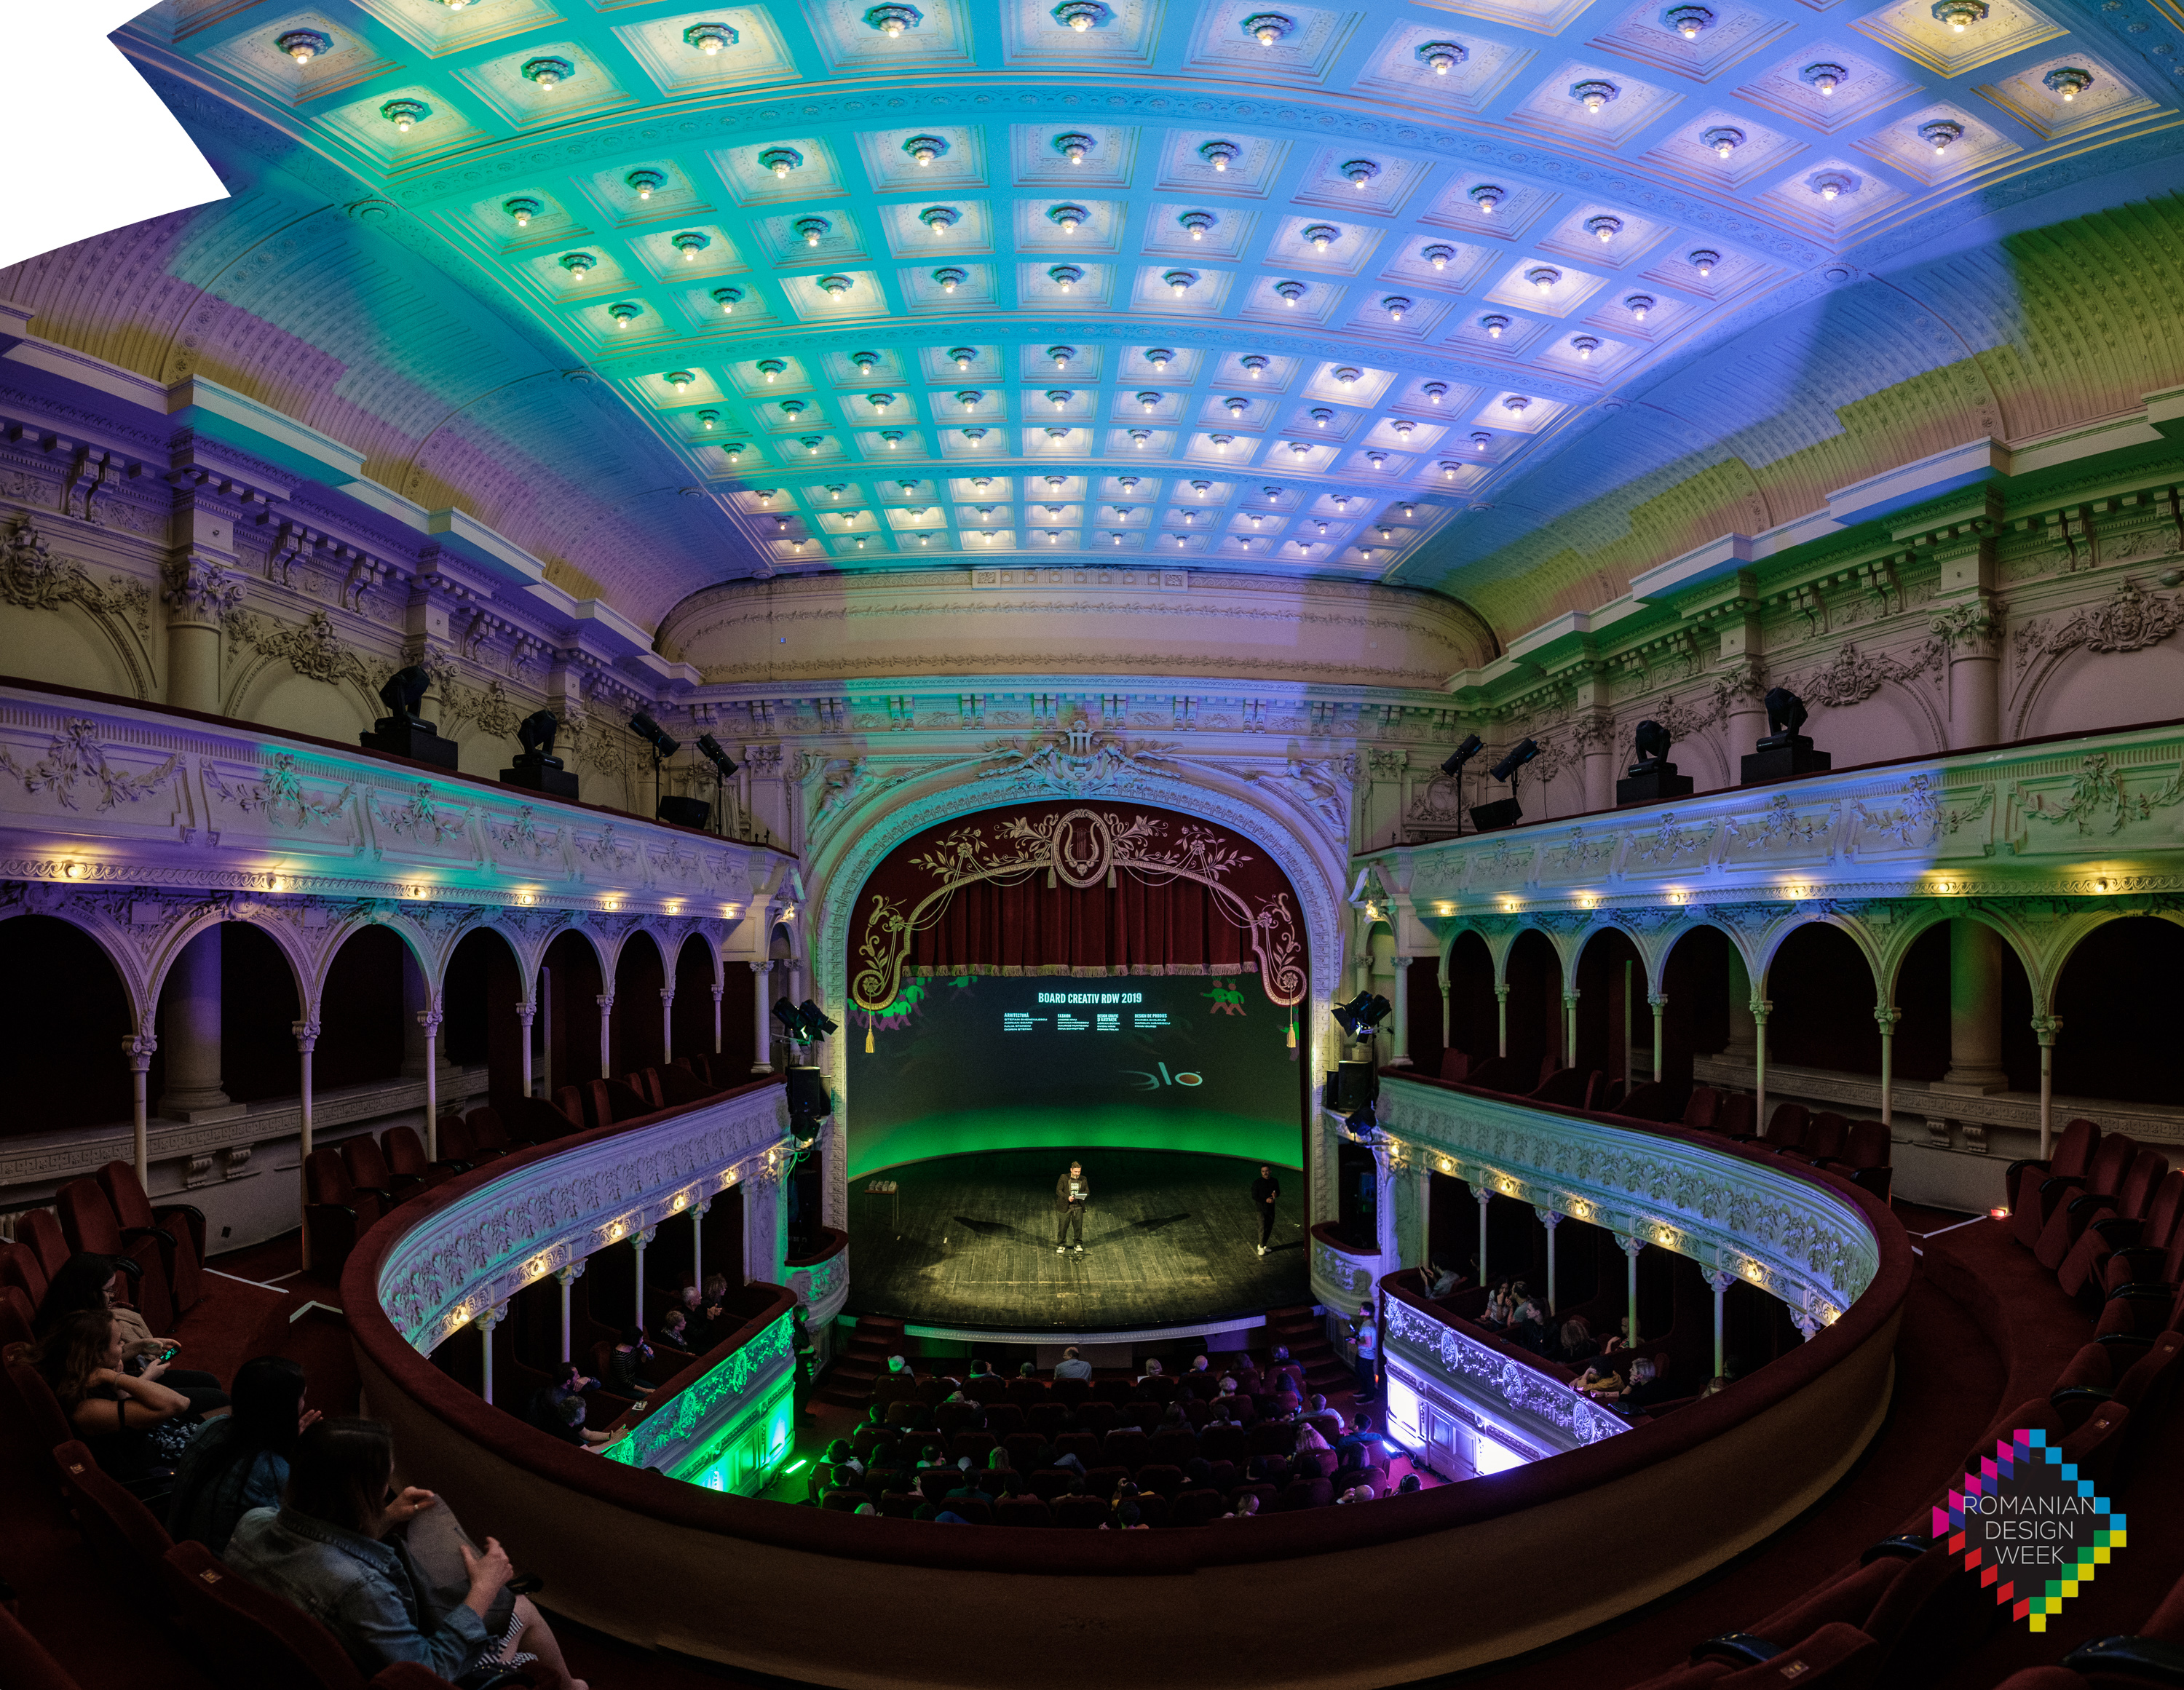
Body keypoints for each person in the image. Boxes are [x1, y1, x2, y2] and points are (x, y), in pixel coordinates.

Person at [224, 1419, 585, 1689]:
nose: (386, 1489)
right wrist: (484, 1590)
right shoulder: (361, 1590)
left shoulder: (253, 1523)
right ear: (359, 1495)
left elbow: (323, 1543)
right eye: (383, 1482)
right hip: (405, 1677)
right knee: (520, 1607)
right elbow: (428, 1673)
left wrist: (385, 1518)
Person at [34, 1252, 229, 1416]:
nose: (112, 1296)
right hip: (118, 1395)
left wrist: (142, 1346)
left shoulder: (78, 1323)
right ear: (88, 1292)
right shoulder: (77, 1333)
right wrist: (147, 1377)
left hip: (120, 1386)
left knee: (209, 1381)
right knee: (218, 1400)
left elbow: (107, 1360)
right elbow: (118, 1399)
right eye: (108, 1290)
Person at [33, 1307, 194, 1500]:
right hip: (147, 1468)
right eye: (119, 1342)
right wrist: (113, 1376)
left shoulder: (74, 1375)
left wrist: (117, 1377)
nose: (124, 1345)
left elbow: (123, 1399)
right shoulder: (86, 1408)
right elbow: (179, 1403)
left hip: (145, 1442)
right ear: (97, 1356)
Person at [168, 1355, 318, 1553]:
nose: (303, 1404)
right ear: (285, 1408)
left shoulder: (211, 1426)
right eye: (302, 1397)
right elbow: (285, 1543)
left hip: (177, 1548)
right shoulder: (274, 1473)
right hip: (219, 1567)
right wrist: (296, 1455)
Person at [1055, 1159, 1090, 1255]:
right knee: (1063, 1227)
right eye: (1076, 1172)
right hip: (1065, 1206)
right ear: (1071, 1170)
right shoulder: (1064, 1177)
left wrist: (1081, 1196)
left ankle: (1078, 1244)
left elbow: (1087, 1192)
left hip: (1078, 1206)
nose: (1077, 1174)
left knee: (1078, 1227)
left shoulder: (1083, 1179)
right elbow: (1058, 1190)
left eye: (1079, 1172)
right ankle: (1061, 1245)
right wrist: (1068, 1197)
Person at [606, 1327, 651, 1394]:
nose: (642, 1341)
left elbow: (637, 1366)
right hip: (620, 1388)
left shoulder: (631, 1348)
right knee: (648, 1398)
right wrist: (645, 1390)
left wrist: (645, 1354)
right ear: (634, 1340)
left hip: (632, 1380)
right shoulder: (619, 1356)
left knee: (657, 1390)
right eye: (640, 1339)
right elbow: (624, 1381)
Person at [1349, 1301, 1379, 1402]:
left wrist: (1355, 1342)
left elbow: (1368, 1344)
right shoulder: (1369, 1322)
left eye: (1361, 1310)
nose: (1358, 1311)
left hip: (1366, 1355)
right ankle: (1364, 1391)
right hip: (1364, 1354)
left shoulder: (1367, 1326)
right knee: (1362, 1374)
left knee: (1367, 1376)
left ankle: (1369, 1396)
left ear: (1366, 1313)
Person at [1250, 1165, 1281, 1256]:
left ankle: (1263, 1244)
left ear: (1270, 1171)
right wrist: (1265, 1200)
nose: (1265, 1173)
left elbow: (1278, 1192)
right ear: (1261, 1172)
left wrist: (1276, 1194)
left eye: (1267, 1171)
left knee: (1269, 1227)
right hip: (1261, 1209)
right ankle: (1261, 1246)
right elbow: (1254, 1196)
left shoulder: (1274, 1181)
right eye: (1263, 1171)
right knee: (1262, 1227)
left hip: (1271, 1208)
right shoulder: (1257, 1183)